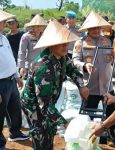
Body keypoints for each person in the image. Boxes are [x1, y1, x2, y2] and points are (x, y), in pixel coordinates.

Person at [21, 20, 89, 150]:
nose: (65, 46)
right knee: (41, 134)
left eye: (66, 43)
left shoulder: (62, 56)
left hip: (47, 101)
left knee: (50, 128)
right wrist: (65, 124)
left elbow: (72, 70)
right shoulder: (42, 68)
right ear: (52, 45)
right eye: (61, 44)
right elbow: (44, 106)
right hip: (34, 105)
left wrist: (81, 85)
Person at [72, 11, 115, 145]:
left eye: (98, 28)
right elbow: (75, 60)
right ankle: (89, 136)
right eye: (93, 28)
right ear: (87, 29)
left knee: (111, 112)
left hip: (106, 84)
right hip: (89, 85)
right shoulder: (80, 43)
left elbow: (113, 58)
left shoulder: (107, 41)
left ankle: (111, 132)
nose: (96, 30)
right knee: (88, 114)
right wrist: (85, 65)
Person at [0, 10, 29, 150]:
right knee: (0, 113)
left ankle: (15, 132)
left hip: (11, 80)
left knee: (15, 108)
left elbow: (11, 58)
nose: (3, 24)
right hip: (0, 83)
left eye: (3, 22)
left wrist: (17, 76)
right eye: (2, 22)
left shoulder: (3, 38)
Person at [18, 14, 47, 79]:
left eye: (40, 26)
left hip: (44, 65)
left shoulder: (45, 36)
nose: (38, 28)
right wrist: (22, 67)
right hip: (31, 65)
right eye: (36, 26)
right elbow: (22, 52)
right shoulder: (26, 36)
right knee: (31, 86)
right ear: (33, 26)